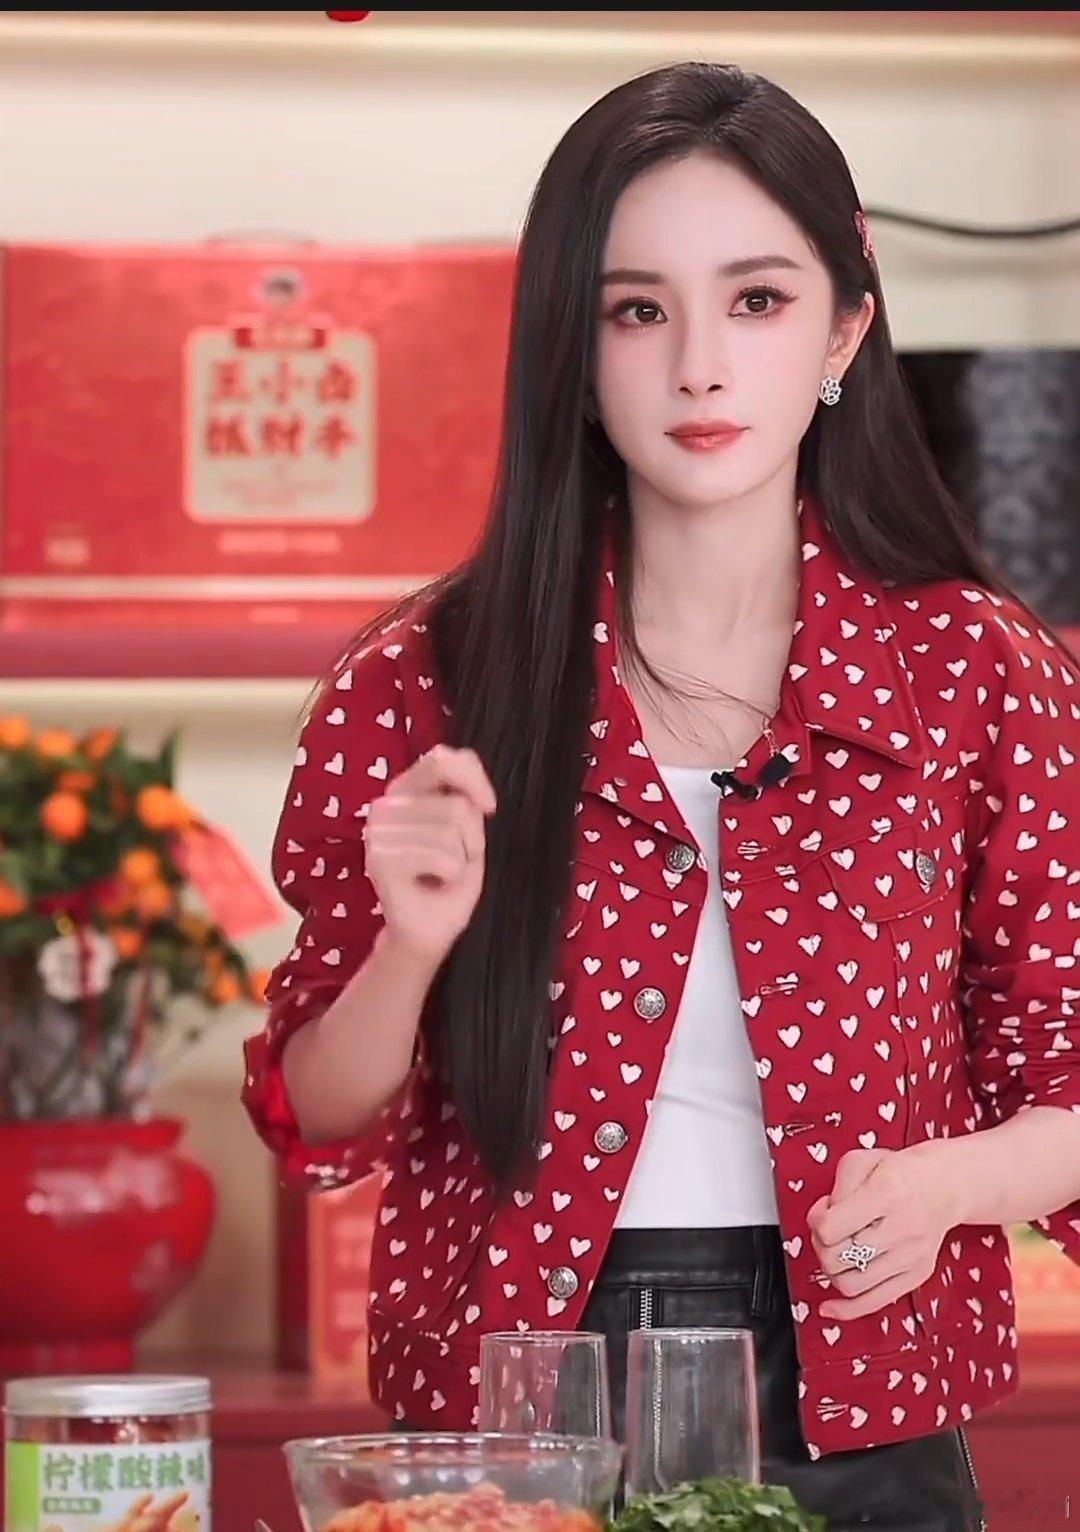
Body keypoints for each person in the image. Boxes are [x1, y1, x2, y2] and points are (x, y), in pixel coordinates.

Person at [242, 61, 1080, 1531]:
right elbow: (318, 1113)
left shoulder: (974, 669)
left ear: (844, 330)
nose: (700, 366)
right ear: (571, 352)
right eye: (638, 311)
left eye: (756, 301)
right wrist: (411, 948)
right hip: (520, 1391)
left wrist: (949, 1186)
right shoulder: (423, 679)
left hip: (861, 1382)